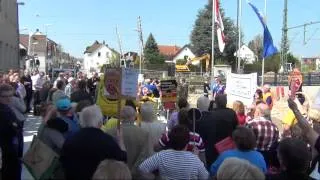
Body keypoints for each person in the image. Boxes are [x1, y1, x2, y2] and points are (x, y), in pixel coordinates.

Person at [60, 105, 127, 180]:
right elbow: (123, 160)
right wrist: (120, 141)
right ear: (100, 122)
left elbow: (63, 162)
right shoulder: (108, 141)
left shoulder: (70, 139)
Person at [139, 125, 209, 180]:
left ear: (170, 140)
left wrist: (154, 178)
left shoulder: (162, 155)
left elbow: (142, 169)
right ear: (187, 142)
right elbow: (205, 177)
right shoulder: (194, 159)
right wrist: (196, 157)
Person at [106, 106, 152, 178]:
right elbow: (145, 155)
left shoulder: (110, 132)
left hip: (116, 174)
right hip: (136, 175)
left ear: (121, 117)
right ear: (134, 116)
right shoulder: (144, 133)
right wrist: (133, 172)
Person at [199, 94, 239, 167]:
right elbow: (236, 128)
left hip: (213, 146)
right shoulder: (232, 113)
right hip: (228, 145)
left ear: (216, 102)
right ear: (226, 102)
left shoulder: (211, 114)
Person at [246, 103, 279, 168]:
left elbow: (244, 141)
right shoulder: (275, 127)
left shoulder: (251, 124)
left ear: (258, 112)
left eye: (255, 110)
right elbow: (274, 144)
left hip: (250, 158)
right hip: (266, 160)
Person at [0, 84, 22, 180]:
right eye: (5, 96)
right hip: (7, 150)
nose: (8, 99)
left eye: (10, 96)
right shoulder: (3, 111)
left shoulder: (7, 108)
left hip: (11, 149)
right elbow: (13, 129)